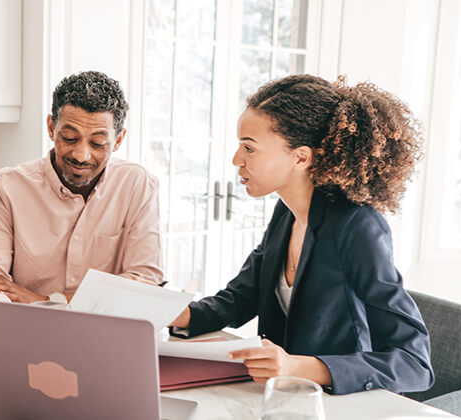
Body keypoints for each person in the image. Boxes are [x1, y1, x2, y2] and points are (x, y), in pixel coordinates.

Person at [170, 74, 434, 395]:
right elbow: (243, 297)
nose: (236, 160)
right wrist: (175, 313)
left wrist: (301, 366)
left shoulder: (358, 226)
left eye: (249, 148)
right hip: (284, 400)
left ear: (301, 157)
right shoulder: (287, 212)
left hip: (342, 405)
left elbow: (414, 363)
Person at [0, 71, 162, 304]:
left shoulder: (138, 185)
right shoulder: (4, 189)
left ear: (119, 140)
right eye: (70, 138)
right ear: (51, 127)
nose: (81, 155)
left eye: (97, 143)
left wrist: (49, 301)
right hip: (25, 330)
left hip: (106, 334)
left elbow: (144, 282)